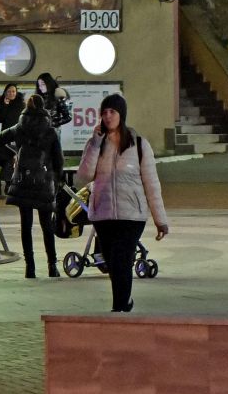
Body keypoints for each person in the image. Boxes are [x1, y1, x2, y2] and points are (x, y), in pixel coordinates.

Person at [76, 92, 169, 313]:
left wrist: (160, 220)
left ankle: (119, 308)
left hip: (131, 216)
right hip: (104, 214)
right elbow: (83, 177)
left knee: (122, 260)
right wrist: (95, 145)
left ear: (121, 114)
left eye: (113, 112)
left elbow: (152, 184)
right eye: (104, 112)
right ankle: (124, 302)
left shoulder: (138, 144)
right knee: (110, 262)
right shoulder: (95, 144)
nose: (108, 116)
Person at [5, 93, 63, 279]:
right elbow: (58, 159)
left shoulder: (19, 128)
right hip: (44, 182)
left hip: (23, 181)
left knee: (26, 226)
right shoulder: (51, 131)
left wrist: (15, 156)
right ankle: (52, 266)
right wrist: (57, 178)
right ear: (43, 107)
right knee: (47, 225)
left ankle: (30, 267)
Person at [0, 83, 24, 197]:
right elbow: (0, 119)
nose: (11, 93)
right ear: (5, 93)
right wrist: (4, 105)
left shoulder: (21, 105)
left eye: (13, 91)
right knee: (8, 160)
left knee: (12, 160)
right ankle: (6, 185)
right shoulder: (2, 105)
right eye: (9, 91)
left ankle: (2, 184)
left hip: (17, 136)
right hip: (5, 136)